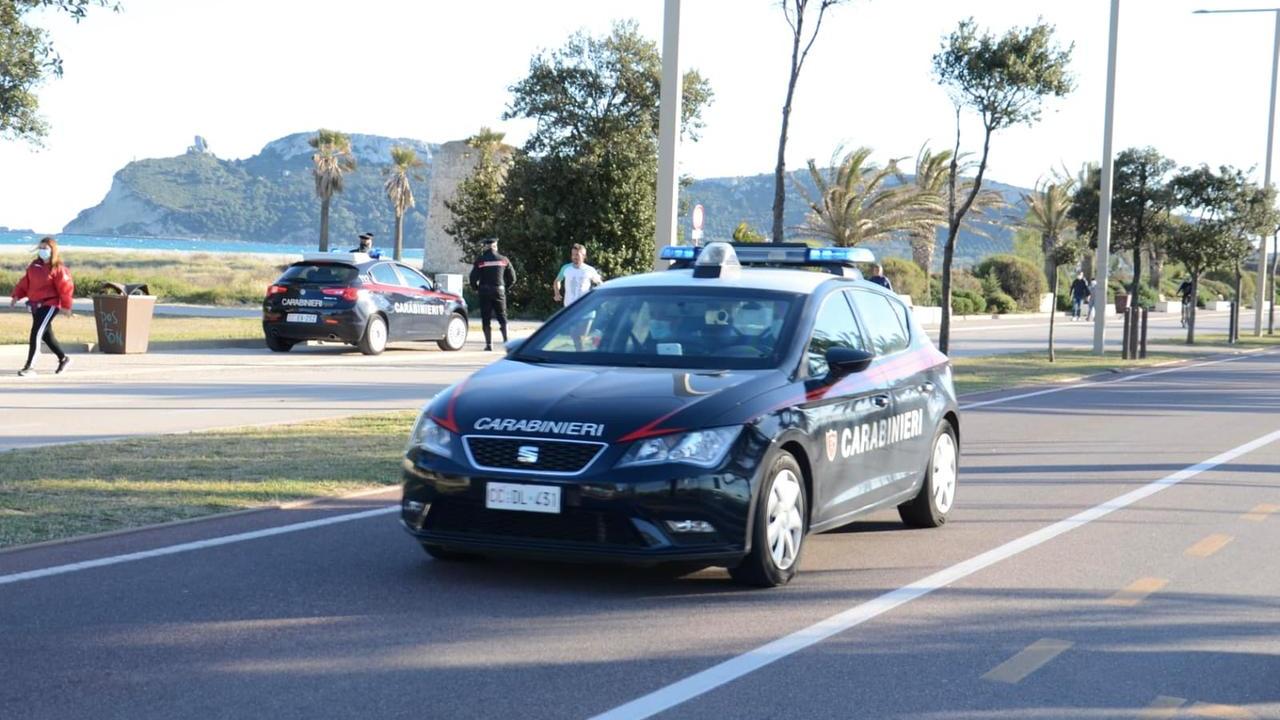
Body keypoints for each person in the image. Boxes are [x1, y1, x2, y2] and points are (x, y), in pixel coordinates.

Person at [9, 236, 75, 377]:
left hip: (50, 304)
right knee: (46, 336)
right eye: (40, 248)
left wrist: (66, 306)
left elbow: (66, 288)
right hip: (35, 305)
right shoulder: (34, 266)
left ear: (52, 250)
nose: (42, 250)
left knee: (36, 333)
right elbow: (25, 282)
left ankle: (29, 367)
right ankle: (63, 358)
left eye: (45, 248)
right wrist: (16, 295)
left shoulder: (58, 269)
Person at [469, 237, 516, 351]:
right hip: (499, 290)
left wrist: (476, 288)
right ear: (496, 246)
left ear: (485, 247)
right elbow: (513, 278)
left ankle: (489, 344)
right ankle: (507, 343)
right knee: (502, 316)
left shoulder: (481, 260)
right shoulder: (504, 260)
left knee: (486, 317)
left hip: (484, 291)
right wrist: (505, 288)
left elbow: (472, 278)